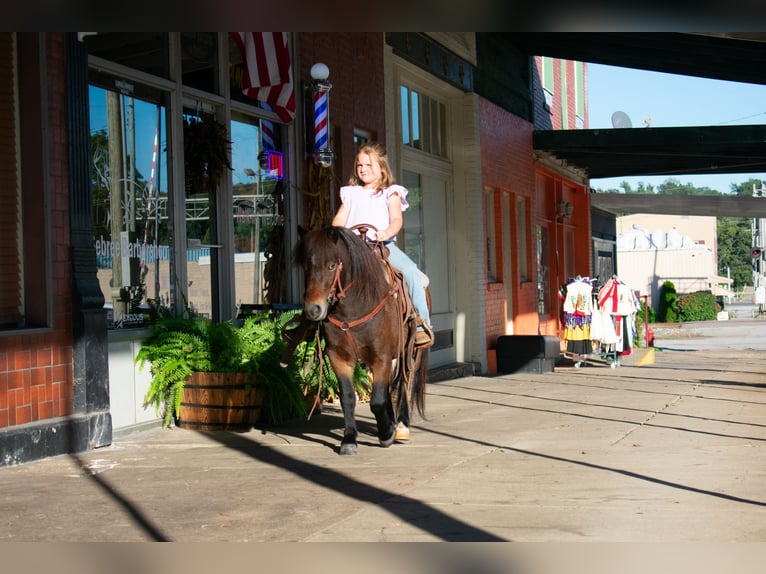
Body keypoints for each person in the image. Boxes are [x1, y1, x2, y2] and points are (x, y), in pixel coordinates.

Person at [332, 142, 433, 347]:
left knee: (411, 272)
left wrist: (386, 232)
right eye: (360, 165)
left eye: (369, 165)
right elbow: (338, 221)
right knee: (328, 275)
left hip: (382, 247)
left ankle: (422, 324)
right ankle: (319, 320)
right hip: (353, 250)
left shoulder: (390, 192)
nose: (363, 169)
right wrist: (337, 232)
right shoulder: (351, 193)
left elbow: (397, 220)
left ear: (382, 168)